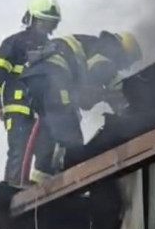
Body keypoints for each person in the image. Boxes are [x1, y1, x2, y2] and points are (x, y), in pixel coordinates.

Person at [20, 31, 142, 183]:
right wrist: (118, 106)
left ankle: (38, 180)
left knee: (49, 131)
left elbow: (83, 96)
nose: (123, 67)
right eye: (127, 62)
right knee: (70, 134)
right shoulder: (107, 54)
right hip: (53, 75)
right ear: (125, 53)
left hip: (33, 79)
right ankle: (72, 178)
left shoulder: (93, 45)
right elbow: (89, 91)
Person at [0, 0, 61, 186]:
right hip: (18, 109)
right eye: (44, 22)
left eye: (51, 23)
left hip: (43, 112)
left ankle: (40, 192)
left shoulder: (53, 47)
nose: (47, 27)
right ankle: (14, 191)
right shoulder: (14, 43)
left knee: (48, 152)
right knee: (19, 152)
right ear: (33, 19)